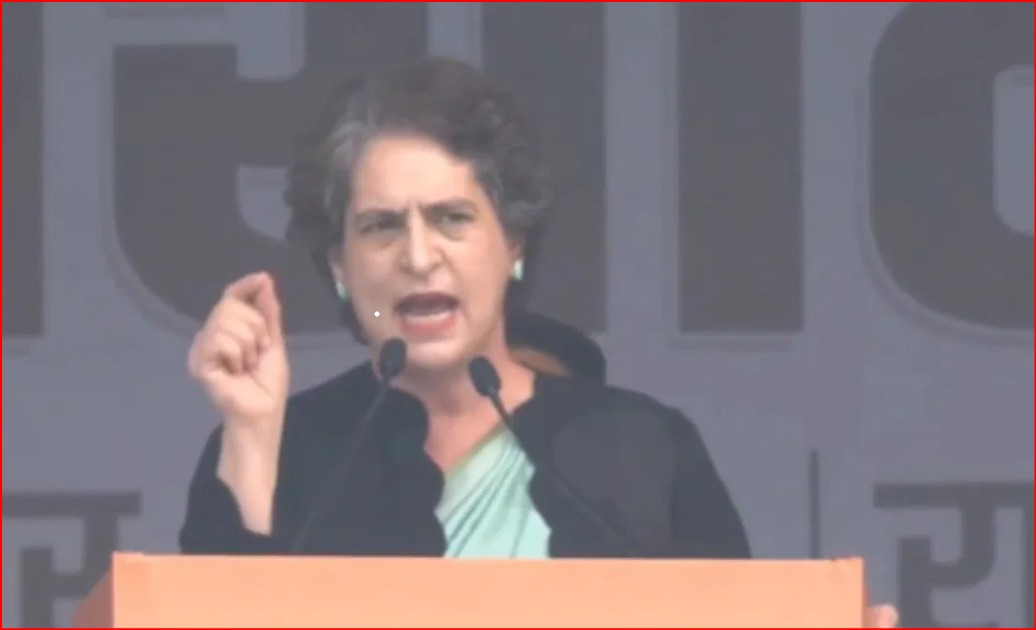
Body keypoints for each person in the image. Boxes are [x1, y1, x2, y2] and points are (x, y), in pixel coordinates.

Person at [178, 56, 896, 626]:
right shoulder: (279, 448)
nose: (419, 257)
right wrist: (252, 437)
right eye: (381, 226)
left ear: (513, 245)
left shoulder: (642, 449)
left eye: (453, 218)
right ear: (340, 267)